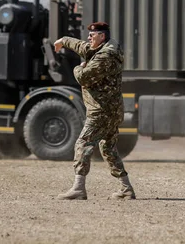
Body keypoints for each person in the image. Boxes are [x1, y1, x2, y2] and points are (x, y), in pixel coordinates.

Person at [53, 22, 136, 200]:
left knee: (83, 143)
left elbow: (84, 77)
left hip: (101, 110)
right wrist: (63, 41)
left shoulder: (106, 56)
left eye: (93, 35)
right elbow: (81, 46)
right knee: (108, 147)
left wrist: (78, 67)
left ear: (102, 37)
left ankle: (78, 188)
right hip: (111, 109)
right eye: (89, 35)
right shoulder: (102, 48)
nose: (89, 38)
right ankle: (126, 188)